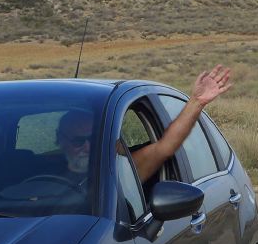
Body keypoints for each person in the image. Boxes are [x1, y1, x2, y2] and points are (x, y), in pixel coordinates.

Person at [54, 64, 233, 184]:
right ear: (60, 140)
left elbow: (166, 146)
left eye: (93, 140)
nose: (87, 147)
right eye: (78, 141)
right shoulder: (34, 175)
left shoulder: (119, 173)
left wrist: (196, 102)